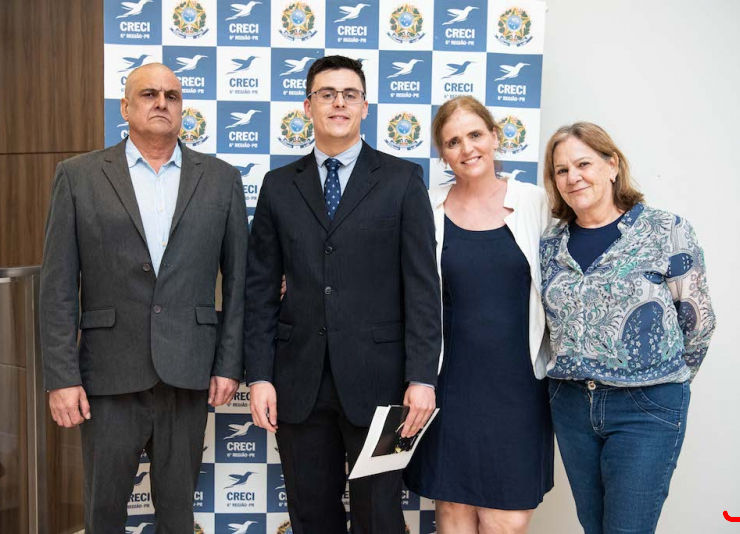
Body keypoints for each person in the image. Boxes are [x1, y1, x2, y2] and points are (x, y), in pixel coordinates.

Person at [40, 63, 248, 533]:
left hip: (188, 373)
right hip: (107, 375)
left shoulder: (221, 179)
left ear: (182, 108)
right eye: (149, 94)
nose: (161, 103)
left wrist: (229, 362)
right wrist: (61, 377)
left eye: (172, 95)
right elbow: (57, 286)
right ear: (125, 107)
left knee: (178, 516)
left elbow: (238, 284)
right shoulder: (77, 176)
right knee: (103, 514)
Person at [244, 55, 441, 534]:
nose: (338, 103)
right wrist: (260, 376)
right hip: (298, 384)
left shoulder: (402, 180)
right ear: (307, 106)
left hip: (384, 385)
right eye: (327, 94)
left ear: (364, 106)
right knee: (312, 516)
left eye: (350, 94)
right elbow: (260, 289)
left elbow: (422, 287)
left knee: (380, 518)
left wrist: (421, 376)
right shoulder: (277, 186)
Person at [539, 122, 716, 534]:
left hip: (646, 406)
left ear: (612, 165)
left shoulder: (666, 230)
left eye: (583, 164)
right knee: (594, 527)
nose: (573, 176)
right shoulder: (550, 243)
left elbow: (698, 321)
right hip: (570, 404)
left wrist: (663, 382)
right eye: (562, 170)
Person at [404, 96, 554, 534]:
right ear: (443, 154)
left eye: (475, 135)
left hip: (519, 386)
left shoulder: (535, 202)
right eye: (453, 142)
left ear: (495, 136)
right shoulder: (427, 206)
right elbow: (393, 278)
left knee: (506, 519)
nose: (467, 148)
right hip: (450, 384)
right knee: (453, 512)